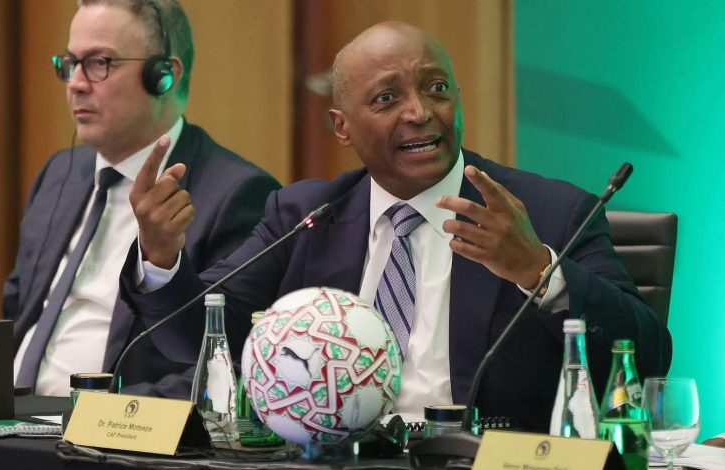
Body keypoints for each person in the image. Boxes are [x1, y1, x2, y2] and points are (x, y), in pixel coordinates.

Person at [122, 21, 671, 431]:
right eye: (387, 98)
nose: (420, 113)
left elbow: (646, 356)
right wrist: (161, 257)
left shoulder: (550, 212)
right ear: (342, 127)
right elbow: (198, 338)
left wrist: (538, 270)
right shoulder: (305, 216)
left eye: (437, 89)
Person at [4, 0, 279, 398]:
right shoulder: (58, 174)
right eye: (70, 64)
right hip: (10, 415)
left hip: (114, 423)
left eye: (99, 63)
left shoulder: (238, 194)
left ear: (164, 76)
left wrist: (104, 418)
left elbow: (227, 361)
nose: (76, 83)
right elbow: (16, 309)